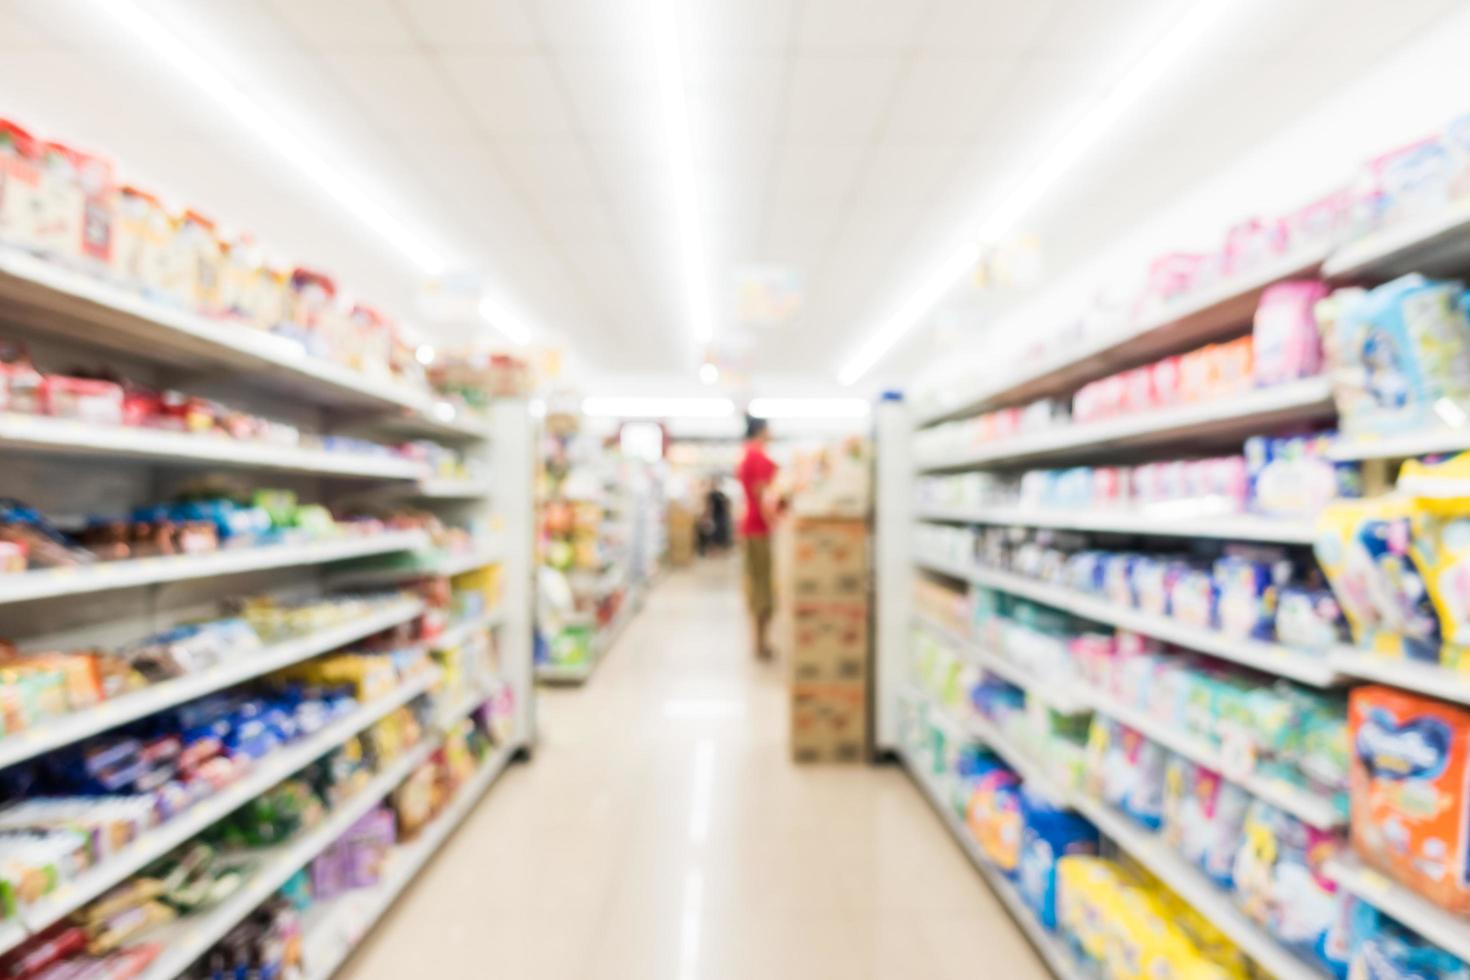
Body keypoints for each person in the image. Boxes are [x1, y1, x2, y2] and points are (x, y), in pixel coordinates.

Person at [735, 416, 777, 658]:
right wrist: (773, 520)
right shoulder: (757, 456)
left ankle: (760, 641)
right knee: (762, 585)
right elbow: (761, 494)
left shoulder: (746, 454)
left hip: (751, 525)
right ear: (761, 431)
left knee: (757, 582)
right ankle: (760, 643)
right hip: (758, 528)